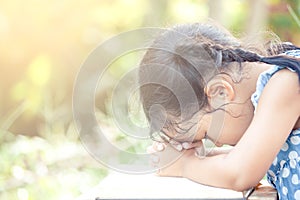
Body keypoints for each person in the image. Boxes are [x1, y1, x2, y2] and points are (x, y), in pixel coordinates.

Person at [138, 23, 300, 200]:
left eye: (207, 134)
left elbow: (240, 173)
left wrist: (184, 164)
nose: (217, 143)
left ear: (220, 93)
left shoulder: (286, 83)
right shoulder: (275, 79)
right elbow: (253, 154)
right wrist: (196, 156)